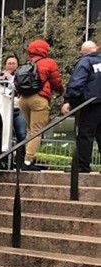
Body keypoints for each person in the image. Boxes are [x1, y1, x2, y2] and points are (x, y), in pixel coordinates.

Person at [19, 39, 64, 171]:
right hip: (39, 99)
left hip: (23, 99)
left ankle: (26, 158)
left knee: (30, 130)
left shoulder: (26, 64)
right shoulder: (49, 63)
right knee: (37, 131)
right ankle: (27, 162)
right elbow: (56, 82)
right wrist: (60, 92)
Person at [63, 41, 101, 173]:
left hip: (90, 103)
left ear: (82, 52)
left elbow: (76, 84)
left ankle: (82, 165)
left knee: (86, 134)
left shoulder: (85, 62)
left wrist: (70, 101)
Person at [0, 55, 29, 166]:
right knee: (3, 135)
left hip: (18, 108)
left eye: (13, 63)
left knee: (22, 134)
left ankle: (20, 161)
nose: (11, 65)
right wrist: (3, 78)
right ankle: (2, 160)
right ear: (5, 65)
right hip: (4, 110)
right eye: (9, 63)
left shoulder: (22, 76)